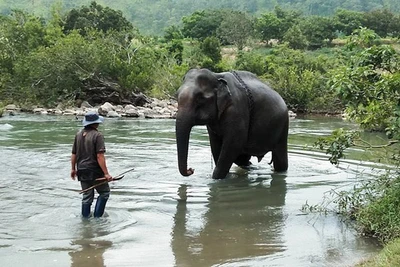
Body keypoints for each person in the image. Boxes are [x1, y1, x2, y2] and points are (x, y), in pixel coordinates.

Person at [71, 111, 113, 218]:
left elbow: (74, 154)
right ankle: (98, 217)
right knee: (104, 193)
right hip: (94, 171)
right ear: (95, 123)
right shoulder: (97, 135)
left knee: (87, 196)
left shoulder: (78, 134)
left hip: (81, 169)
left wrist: (73, 169)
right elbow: (100, 156)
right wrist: (106, 174)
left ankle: (85, 219)